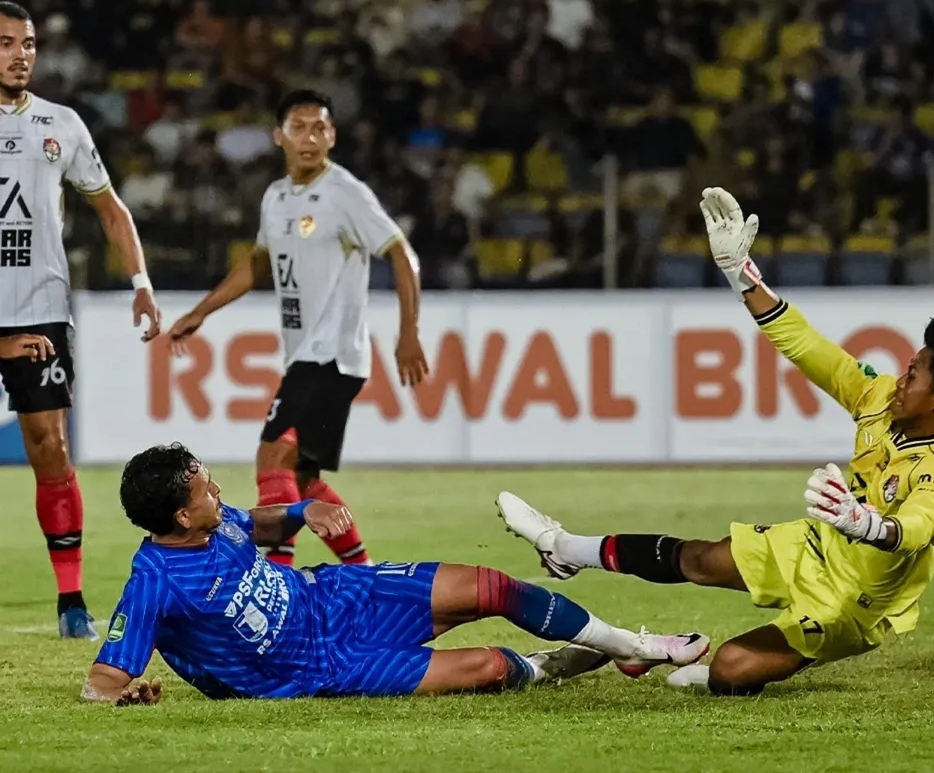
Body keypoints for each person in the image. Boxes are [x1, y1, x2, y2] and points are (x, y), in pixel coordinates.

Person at [496, 187, 934, 697]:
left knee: (730, 671)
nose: (899, 379)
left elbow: (916, 528)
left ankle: (782, 657)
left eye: (912, 376)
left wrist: (865, 523)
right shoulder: (876, 396)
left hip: (854, 601)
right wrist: (741, 272)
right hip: (818, 545)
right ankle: (563, 548)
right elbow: (808, 346)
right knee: (700, 558)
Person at [79, 443, 709, 705]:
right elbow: (101, 680)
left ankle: (635, 646)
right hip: (318, 669)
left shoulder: (215, 521)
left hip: (336, 596)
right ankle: (547, 665)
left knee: (492, 587)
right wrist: (124, 693)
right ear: (182, 514)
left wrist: (304, 509)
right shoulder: (154, 580)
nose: (216, 486)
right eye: (204, 485)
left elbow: (262, 526)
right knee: (491, 666)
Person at [167, 89, 429, 569]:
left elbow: (400, 252)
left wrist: (408, 331)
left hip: (331, 356)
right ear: (278, 136)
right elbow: (257, 264)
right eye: (299, 127)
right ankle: (364, 577)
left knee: (272, 457)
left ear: (332, 136)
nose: (310, 138)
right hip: (308, 354)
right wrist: (203, 311)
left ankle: (277, 583)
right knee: (304, 481)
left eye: (320, 128)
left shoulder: (344, 192)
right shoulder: (276, 197)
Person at [0, 2, 161, 641]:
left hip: (40, 308)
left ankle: (71, 601)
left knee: (51, 447)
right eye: (7, 42)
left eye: (28, 43)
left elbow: (110, 210)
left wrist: (142, 285)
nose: (20, 54)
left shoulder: (59, 125)